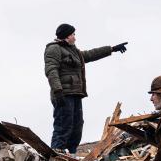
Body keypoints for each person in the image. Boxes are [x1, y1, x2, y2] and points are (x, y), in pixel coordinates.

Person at [44, 23, 128, 153]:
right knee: (63, 125)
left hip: (76, 93)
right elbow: (51, 70)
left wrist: (111, 49)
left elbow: (90, 54)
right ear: (66, 36)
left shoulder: (73, 50)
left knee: (77, 126)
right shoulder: (54, 49)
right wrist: (57, 90)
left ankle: (71, 153)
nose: (75, 37)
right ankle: (56, 152)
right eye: (73, 34)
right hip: (63, 94)